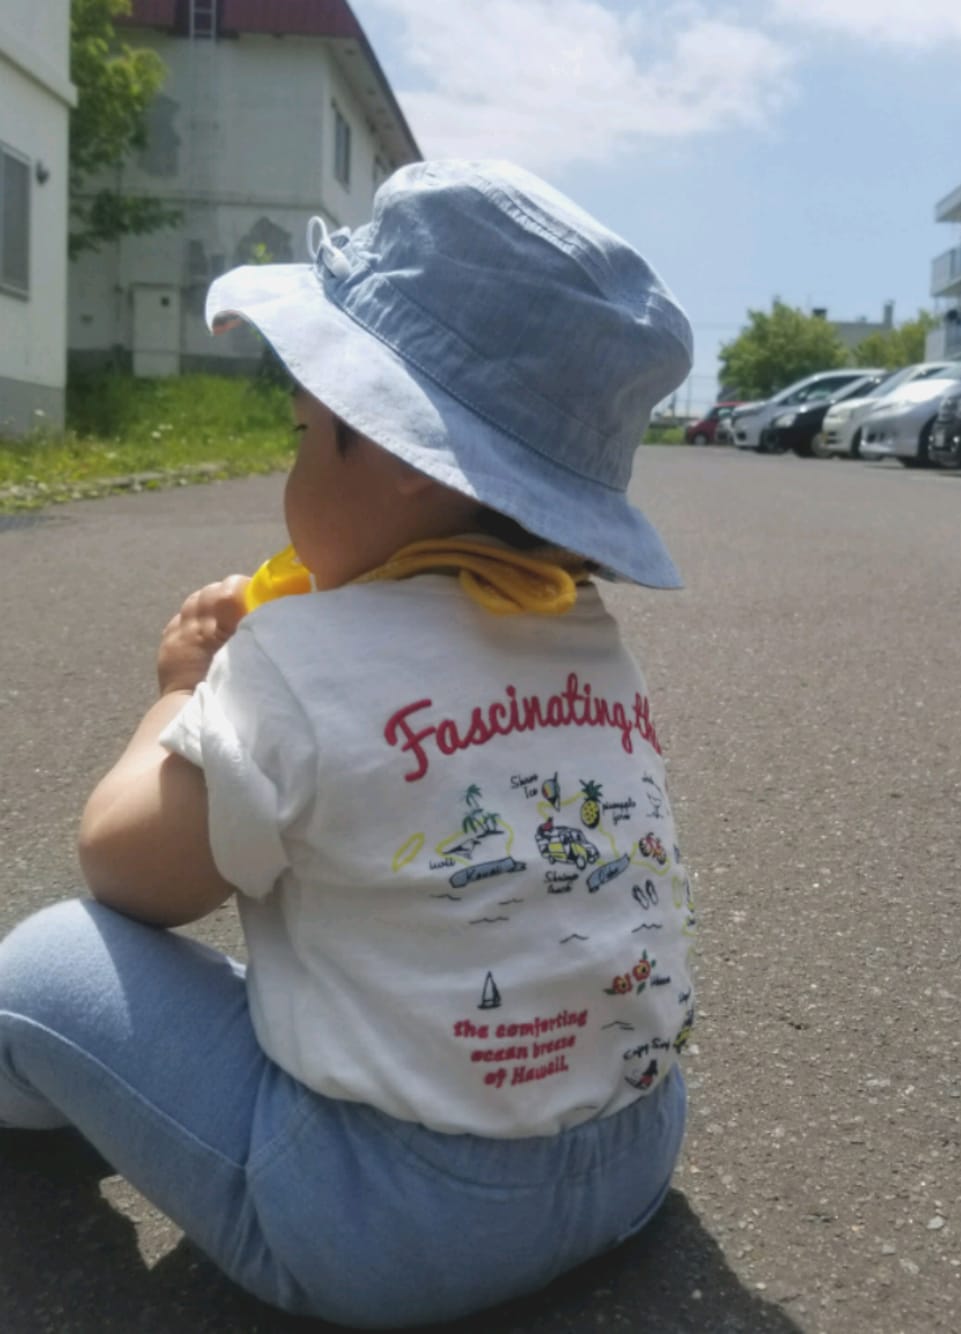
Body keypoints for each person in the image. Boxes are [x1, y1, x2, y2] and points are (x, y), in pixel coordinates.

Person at [0, 160, 696, 1328]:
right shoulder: (590, 647)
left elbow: (124, 869)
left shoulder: (298, 658)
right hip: (634, 1150)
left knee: (48, 963)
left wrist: (179, 694)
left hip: (387, 1225)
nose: (289, 465)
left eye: (301, 431)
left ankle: (39, 1101)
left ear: (403, 459)